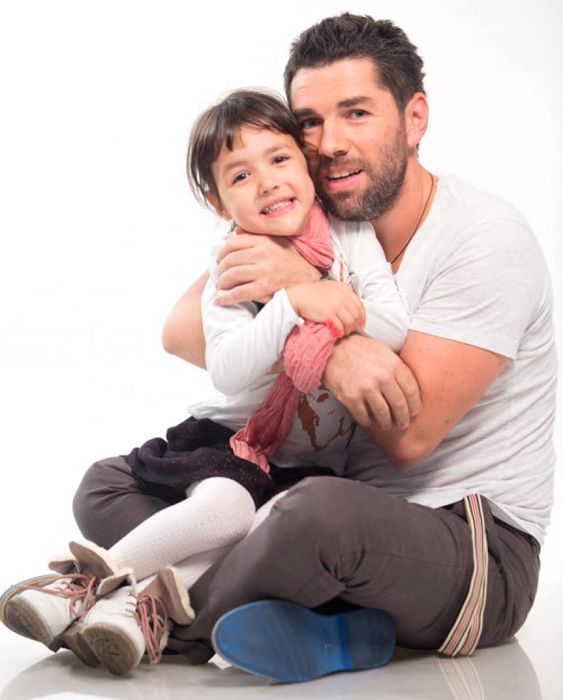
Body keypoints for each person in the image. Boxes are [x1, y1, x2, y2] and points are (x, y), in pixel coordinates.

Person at [2, 12, 556, 683]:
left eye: (356, 113)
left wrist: (309, 305)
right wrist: (307, 304)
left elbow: (409, 437)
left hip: (467, 548)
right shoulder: (311, 219)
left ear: (414, 119)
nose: (330, 144)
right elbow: (182, 330)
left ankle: (121, 606)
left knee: (308, 515)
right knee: (114, 484)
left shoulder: (485, 238)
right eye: (310, 122)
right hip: (314, 509)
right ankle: (325, 625)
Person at [0, 88, 407, 676]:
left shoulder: (350, 237)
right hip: (233, 445)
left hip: (302, 472)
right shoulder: (235, 259)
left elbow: (392, 327)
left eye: (280, 159)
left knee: (261, 538)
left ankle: (131, 612)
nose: (267, 182)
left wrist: (322, 289)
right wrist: (291, 303)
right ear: (219, 203)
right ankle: (82, 585)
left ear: (307, 166)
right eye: (241, 175)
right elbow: (230, 368)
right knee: (227, 509)